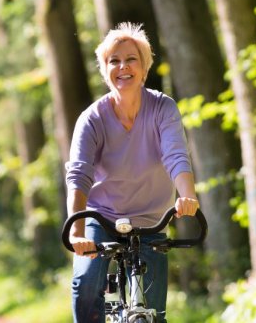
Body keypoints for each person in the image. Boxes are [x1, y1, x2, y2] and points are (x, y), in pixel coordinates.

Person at [65, 22, 199, 322]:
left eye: (131, 59)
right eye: (114, 61)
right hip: (101, 218)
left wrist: (188, 197)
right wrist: (76, 232)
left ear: (145, 68)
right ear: (105, 70)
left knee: (153, 313)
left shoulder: (163, 109)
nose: (122, 67)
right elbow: (79, 175)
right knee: (86, 281)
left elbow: (176, 156)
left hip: (151, 221)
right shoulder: (92, 119)